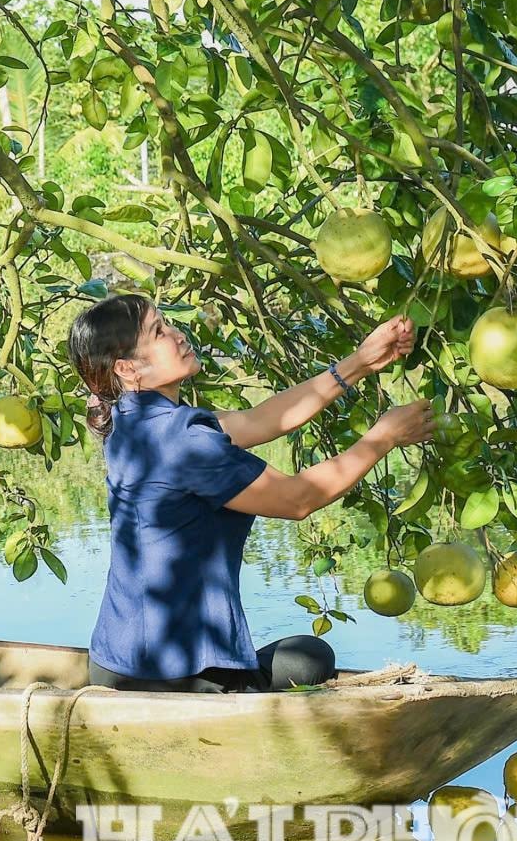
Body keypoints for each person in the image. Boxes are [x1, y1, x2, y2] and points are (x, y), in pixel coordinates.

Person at [67, 293, 433, 693]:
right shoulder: (184, 441)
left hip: (114, 662)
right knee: (313, 657)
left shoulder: (131, 421)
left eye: (168, 323)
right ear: (127, 368)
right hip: (179, 675)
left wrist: (360, 362)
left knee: (305, 656)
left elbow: (262, 420)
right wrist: (384, 437)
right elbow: (297, 499)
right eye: (159, 332)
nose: (177, 333)